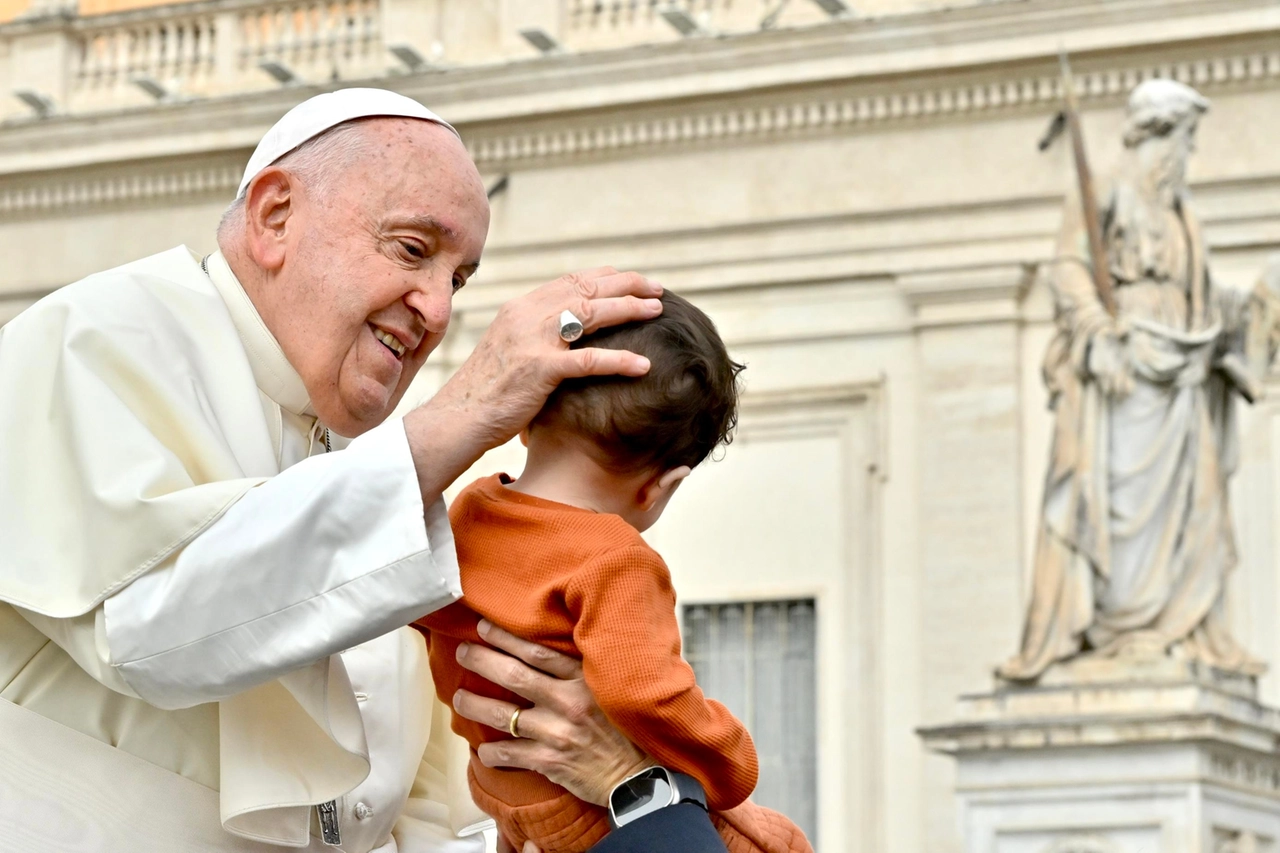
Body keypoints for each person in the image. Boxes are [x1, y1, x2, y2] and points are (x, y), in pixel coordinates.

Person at [0, 87, 725, 852]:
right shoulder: (95, 337)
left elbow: (419, 825)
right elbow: (146, 626)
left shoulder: (392, 491)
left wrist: (619, 791)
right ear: (276, 216)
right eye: (414, 250)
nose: (440, 311)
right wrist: (456, 417)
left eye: (459, 279)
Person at [415, 292, 812, 853]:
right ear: (662, 485)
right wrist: (731, 761)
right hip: (585, 807)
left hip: (498, 790)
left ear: (528, 422)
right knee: (778, 841)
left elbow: (421, 611)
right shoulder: (613, 558)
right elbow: (646, 696)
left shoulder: (471, 510)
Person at [998, 79, 1270, 682]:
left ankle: (1176, 625)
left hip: (1182, 377)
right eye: (1182, 139)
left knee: (1191, 503)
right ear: (1153, 136)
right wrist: (1097, 328)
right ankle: (1120, 627)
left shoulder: (1183, 215)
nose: (1186, 156)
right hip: (1127, 374)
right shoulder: (1104, 194)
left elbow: (1198, 295)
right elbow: (1069, 267)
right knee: (1118, 499)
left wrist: (1241, 314)